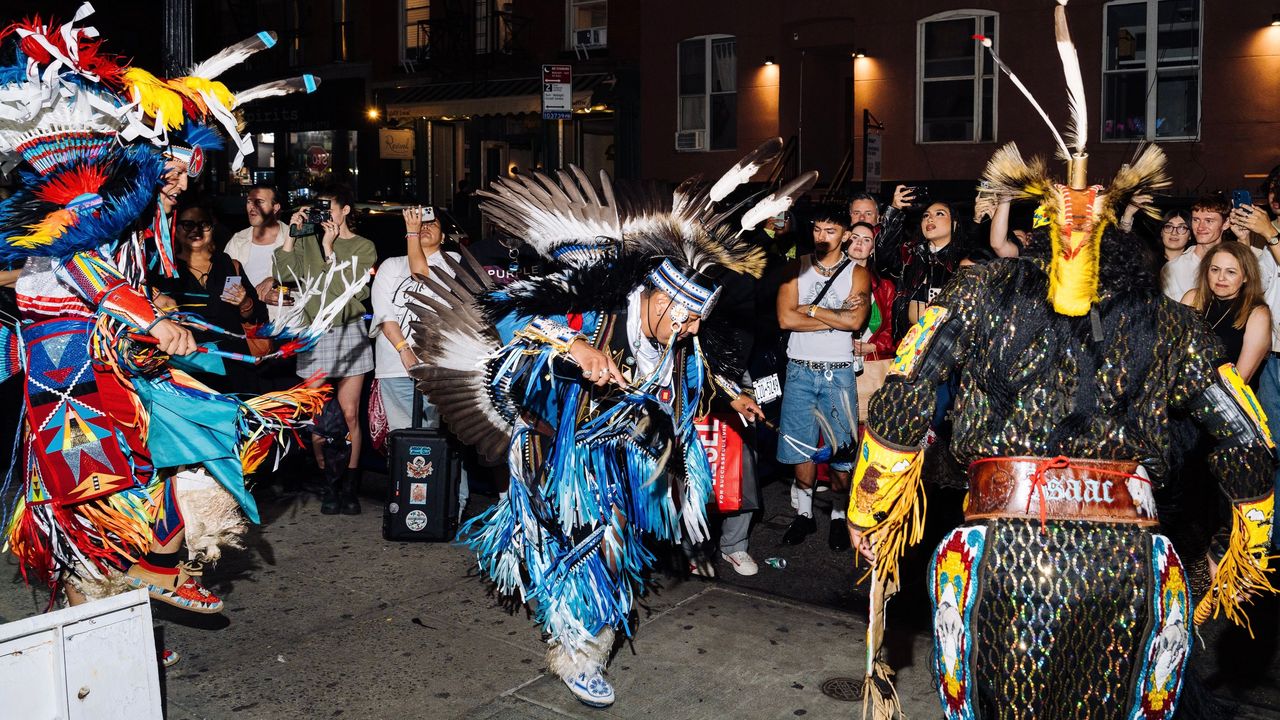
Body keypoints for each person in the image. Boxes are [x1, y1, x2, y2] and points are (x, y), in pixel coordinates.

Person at [849, 10, 1276, 718]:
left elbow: (906, 397)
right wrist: (1247, 547)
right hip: (1131, 563)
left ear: (1039, 230)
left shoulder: (981, 296)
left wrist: (872, 511)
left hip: (1001, 556)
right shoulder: (1170, 323)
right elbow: (1242, 434)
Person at [408, 143, 800, 708]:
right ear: (658, 296)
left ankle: (578, 641)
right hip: (555, 448)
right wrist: (572, 346)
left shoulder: (679, 338)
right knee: (587, 551)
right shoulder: (595, 306)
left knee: (604, 552)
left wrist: (734, 395)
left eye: (697, 320)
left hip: (618, 457)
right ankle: (579, 654)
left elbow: (704, 365)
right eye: (685, 316)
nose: (690, 328)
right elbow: (511, 311)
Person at [0, 11, 327, 670]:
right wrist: (151, 318)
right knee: (112, 498)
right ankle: (132, 598)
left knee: (155, 472)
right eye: (176, 169)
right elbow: (79, 272)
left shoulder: (126, 214)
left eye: (187, 172)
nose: (181, 184)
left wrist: (157, 305)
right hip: (68, 374)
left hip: (97, 363)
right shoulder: (90, 203)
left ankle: (113, 626)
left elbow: (110, 282)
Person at [775, 207, 871, 550]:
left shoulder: (857, 273)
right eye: (817, 229)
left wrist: (811, 310)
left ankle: (837, 515)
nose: (821, 236)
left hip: (837, 372)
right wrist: (836, 317)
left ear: (845, 235)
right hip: (799, 369)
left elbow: (856, 321)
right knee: (800, 453)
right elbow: (785, 319)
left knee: (841, 456)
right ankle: (804, 516)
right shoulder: (795, 267)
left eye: (830, 230)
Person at [277, 183, 376, 515]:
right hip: (314, 332)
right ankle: (328, 484)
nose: (322, 215)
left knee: (349, 414)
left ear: (345, 210)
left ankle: (350, 484)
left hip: (349, 329)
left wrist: (328, 248)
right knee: (317, 417)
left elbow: (339, 291)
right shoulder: (307, 241)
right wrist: (292, 235)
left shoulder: (364, 246)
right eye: (316, 208)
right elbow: (281, 275)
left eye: (327, 207)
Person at [370, 206, 468, 515]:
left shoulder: (454, 263)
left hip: (440, 367)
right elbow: (385, 315)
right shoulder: (390, 265)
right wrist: (403, 349)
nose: (424, 227)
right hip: (393, 365)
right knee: (402, 441)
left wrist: (411, 233)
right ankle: (409, 505)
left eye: (431, 223)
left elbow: (423, 277)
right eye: (418, 223)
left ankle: (451, 504)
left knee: (443, 438)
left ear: (443, 233)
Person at [151, 200, 266, 392]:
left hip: (235, 365)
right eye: (188, 224)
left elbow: (258, 315)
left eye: (203, 224)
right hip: (189, 367)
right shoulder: (162, 271)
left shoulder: (227, 263)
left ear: (212, 228)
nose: (196, 230)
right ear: (175, 229)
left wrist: (245, 303)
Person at [1180, 243, 1271, 387]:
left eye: (1231, 272)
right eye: (1215, 270)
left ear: (1246, 276)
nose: (1221, 278)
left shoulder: (1257, 314)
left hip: (1225, 400)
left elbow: (1239, 381)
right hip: (1182, 391)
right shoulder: (1193, 298)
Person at [1162, 196, 1275, 302]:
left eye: (1209, 221)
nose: (1200, 227)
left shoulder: (1242, 256)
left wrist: (1243, 239)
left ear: (1225, 223)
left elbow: (1254, 290)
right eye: (1196, 220)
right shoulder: (1174, 268)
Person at [845, 221, 895, 422]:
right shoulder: (828, 280)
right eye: (854, 238)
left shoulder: (886, 287)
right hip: (835, 364)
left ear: (872, 249)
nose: (859, 243)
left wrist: (872, 346)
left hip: (873, 365)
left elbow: (894, 329)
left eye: (866, 240)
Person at [225, 183, 291, 325]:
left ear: (275, 208)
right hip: (250, 326)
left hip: (287, 324)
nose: (252, 207)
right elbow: (227, 286)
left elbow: (309, 275)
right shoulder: (238, 240)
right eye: (249, 202)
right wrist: (253, 299)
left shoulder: (292, 237)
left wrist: (275, 279)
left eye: (259, 202)